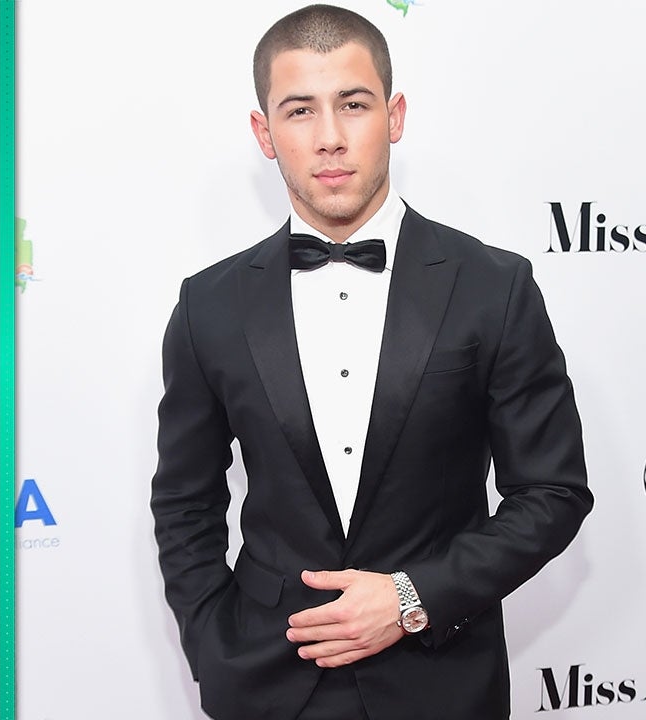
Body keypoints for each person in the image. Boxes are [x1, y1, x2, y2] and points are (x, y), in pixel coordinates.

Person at [150, 5, 592, 719]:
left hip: (441, 683)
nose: (329, 137)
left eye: (353, 104)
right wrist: (214, 649)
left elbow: (551, 493)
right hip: (266, 684)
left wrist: (413, 597)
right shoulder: (209, 305)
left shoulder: (494, 287)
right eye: (300, 110)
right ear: (264, 133)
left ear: (395, 115)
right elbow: (184, 502)